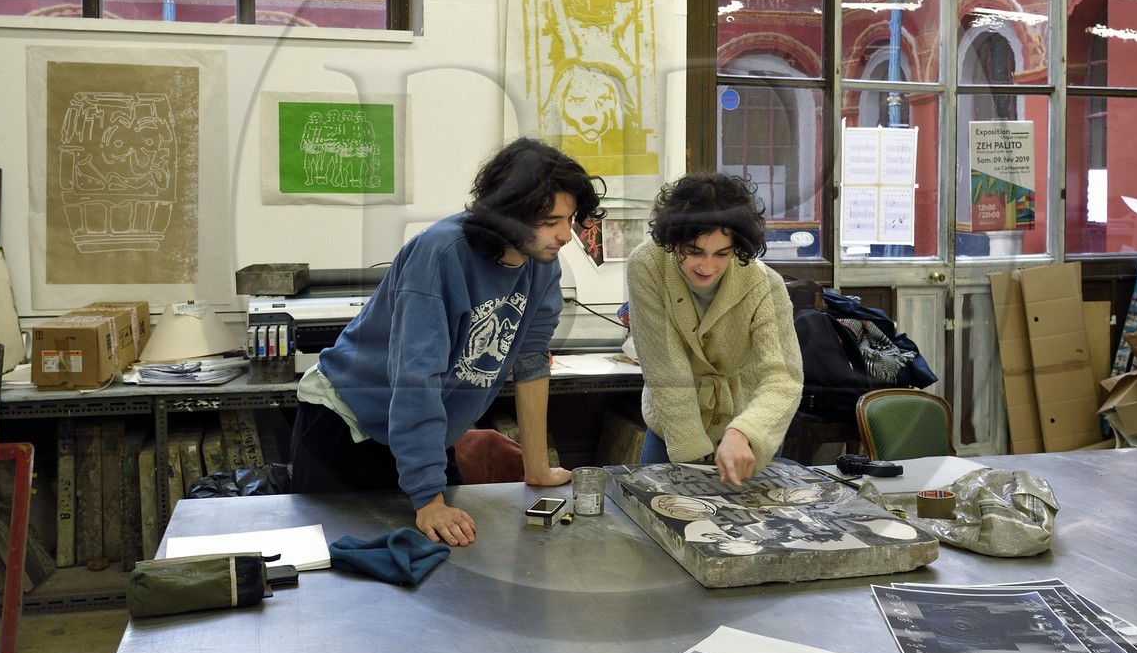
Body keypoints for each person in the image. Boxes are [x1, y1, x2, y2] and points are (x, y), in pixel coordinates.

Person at [289, 137, 604, 547]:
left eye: (569, 219)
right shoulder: (441, 254)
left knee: (446, 558)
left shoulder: (541, 264)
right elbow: (417, 378)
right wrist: (428, 498)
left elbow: (530, 360)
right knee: (346, 568)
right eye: (549, 221)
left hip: (423, 432)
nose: (566, 235)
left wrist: (537, 468)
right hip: (348, 426)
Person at [624, 172, 803, 487]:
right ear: (672, 240)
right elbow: (666, 369)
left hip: (744, 433)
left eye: (722, 254)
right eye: (694, 252)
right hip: (672, 427)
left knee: (751, 530)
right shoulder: (647, 266)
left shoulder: (764, 284)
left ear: (739, 246)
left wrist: (745, 432)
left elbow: (782, 378)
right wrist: (691, 457)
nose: (707, 267)